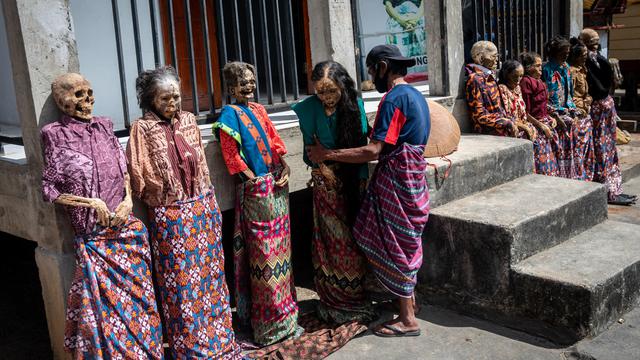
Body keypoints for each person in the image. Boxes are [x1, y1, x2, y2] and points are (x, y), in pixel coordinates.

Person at [307, 44, 430, 338]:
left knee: (394, 242)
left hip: (397, 179)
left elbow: (374, 150)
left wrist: (328, 154)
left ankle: (408, 319)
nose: (371, 76)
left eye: (373, 70)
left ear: (383, 67)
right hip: (413, 177)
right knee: (404, 240)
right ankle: (407, 301)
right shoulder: (415, 95)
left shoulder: (393, 99)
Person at [42, 73, 163, 359]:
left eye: (89, 93)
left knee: (140, 304)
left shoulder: (104, 125)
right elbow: (49, 189)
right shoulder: (54, 134)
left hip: (127, 234)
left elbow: (124, 173)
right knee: (107, 315)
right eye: (77, 96)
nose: (87, 102)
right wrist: (89, 203)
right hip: (94, 240)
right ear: (62, 101)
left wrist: (128, 202)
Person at [126, 66, 240, 359]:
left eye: (176, 97)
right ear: (150, 99)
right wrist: (163, 196)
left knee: (210, 278)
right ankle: (189, 346)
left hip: (202, 210)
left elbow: (200, 165)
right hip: (171, 217)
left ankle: (218, 338)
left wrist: (208, 203)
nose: (172, 103)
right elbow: (139, 174)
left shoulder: (189, 120)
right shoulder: (142, 128)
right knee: (180, 285)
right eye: (165, 98)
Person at [213, 61, 300, 345]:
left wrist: (285, 167)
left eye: (251, 81)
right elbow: (232, 156)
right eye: (243, 83)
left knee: (282, 255)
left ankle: (287, 319)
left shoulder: (260, 110)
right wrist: (254, 181)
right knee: (264, 257)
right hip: (257, 193)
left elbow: (274, 142)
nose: (249, 86)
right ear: (231, 88)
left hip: (277, 188)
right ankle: (267, 324)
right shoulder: (229, 114)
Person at [292, 61, 376, 324]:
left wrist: (329, 159)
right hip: (325, 186)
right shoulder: (306, 110)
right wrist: (320, 166)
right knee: (330, 243)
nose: (326, 98)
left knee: (353, 241)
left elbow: (361, 149)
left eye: (332, 91)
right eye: (321, 92)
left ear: (343, 86)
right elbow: (309, 151)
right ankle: (334, 299)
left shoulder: (355, 106)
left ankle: (354, 297)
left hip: (355, 182)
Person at [579, 28, 637, 205]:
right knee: (601, 150)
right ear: (584, 42)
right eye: (591, 41)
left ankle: (614, 189)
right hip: (597, 110)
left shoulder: (597, 59)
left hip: (606, 108)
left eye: (597, 40)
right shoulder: (584, 61)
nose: (595, 43)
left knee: (609, 149)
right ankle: (607, 191)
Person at [498, 60, 556, 176]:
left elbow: (524, 112)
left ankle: (544, 173)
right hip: (514, 127)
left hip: (525, 124)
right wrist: (525, 126)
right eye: (515, 76)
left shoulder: (517, 89)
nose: (518, 80)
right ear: (506, 75)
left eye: (520, 76)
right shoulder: (502, 89)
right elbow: (506, 115)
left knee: (546, 136)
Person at [542, 35, 583, 179]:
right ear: (554, 53)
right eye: (563, 53)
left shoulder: (565, 68)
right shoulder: (546, 70)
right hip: (553, 111)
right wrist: (556, 113)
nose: (566, 56)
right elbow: (545, 97)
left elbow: (569, 93)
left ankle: (573, 171)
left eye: (567, 53)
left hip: (566, 109)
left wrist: (572, 108)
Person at [519, 52, 560, 177]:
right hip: (534, 123)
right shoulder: (526, 82)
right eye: (537, 65)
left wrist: (550, 117)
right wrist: (542, 125)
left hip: (543, 120)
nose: (540, 68)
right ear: (528, 68)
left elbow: (543, 105)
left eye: (540, 65)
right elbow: (525, 112)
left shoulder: (539, 81)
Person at [465, 41, 518, 137]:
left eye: (497, 56)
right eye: (493, 56)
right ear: (480, 58)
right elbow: (479, 115)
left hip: (500, 125)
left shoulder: (489, 76)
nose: (497, 60)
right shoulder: (475, 79)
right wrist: (505, 122)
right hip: (488, 131)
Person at [567, 37, 595, 181]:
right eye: (583, 56)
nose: (585, 58)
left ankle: (586, 176)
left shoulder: (583, 70)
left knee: (586, 151)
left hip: (585, 113)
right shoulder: (571, 72)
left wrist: (588, 99)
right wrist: (583, 104)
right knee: (577, 150)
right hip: (578, 115)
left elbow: (586, 92)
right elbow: (569, 96)